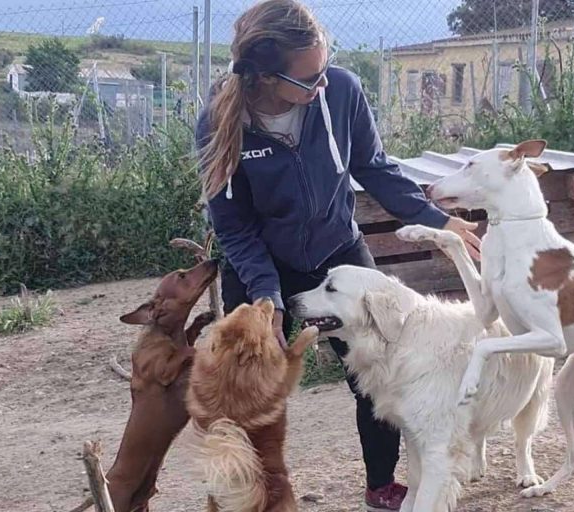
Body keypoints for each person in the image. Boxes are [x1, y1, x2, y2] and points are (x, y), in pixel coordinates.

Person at [195, 1, 481, 510]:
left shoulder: (342, 90)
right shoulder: (220, 122)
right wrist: (266, 296)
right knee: (247, 392)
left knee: (380, 369)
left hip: (338, 252)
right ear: (266, 76)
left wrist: (437, 220)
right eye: (310, 79)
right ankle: (248, 497)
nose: (323, 83)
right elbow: (234, 227)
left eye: (325, 68)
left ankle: (381, 484)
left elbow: (374, 167)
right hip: (260, 266)